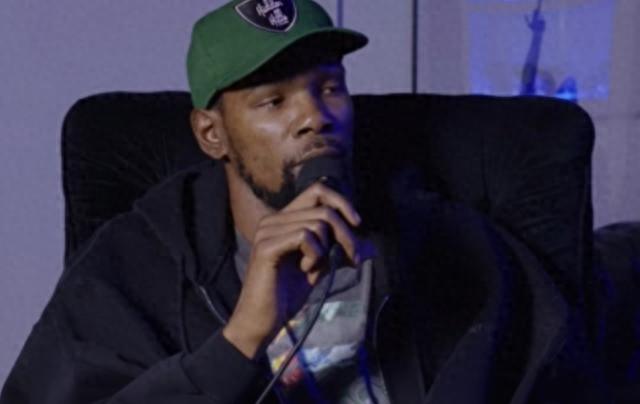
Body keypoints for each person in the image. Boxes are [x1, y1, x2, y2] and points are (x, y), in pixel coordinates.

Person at [0, 0, 612, 403]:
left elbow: (562, 375)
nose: (315, 117)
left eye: (329, 88)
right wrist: (241, 339)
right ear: (212, 134)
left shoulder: (444, 240)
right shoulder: (136, 262)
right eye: (274, 101)